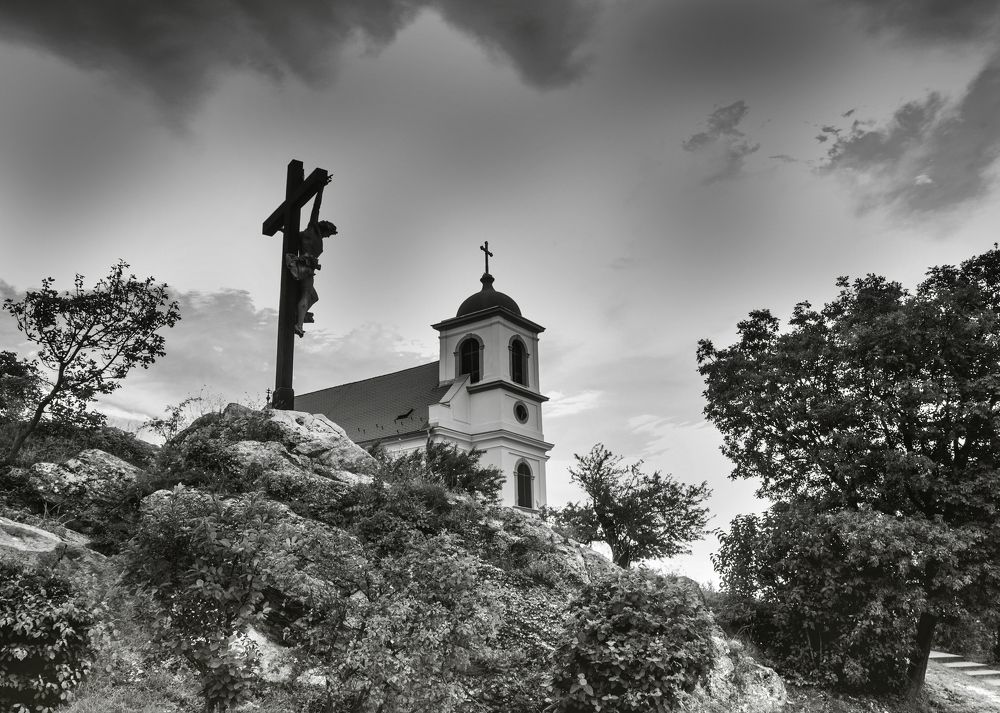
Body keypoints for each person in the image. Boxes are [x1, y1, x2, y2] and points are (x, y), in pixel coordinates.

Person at [285, 179, 337, 337]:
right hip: (305, 268)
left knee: (314, 297)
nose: (328, 236)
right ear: (324, 228)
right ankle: (299, 324)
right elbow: (316, 207)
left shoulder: (307, 235)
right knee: (307, 295)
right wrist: (320, 188)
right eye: (329, 233)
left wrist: (285, 231)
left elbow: (295, 236)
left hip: (306, 267)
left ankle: (300, 314)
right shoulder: (312, 229)